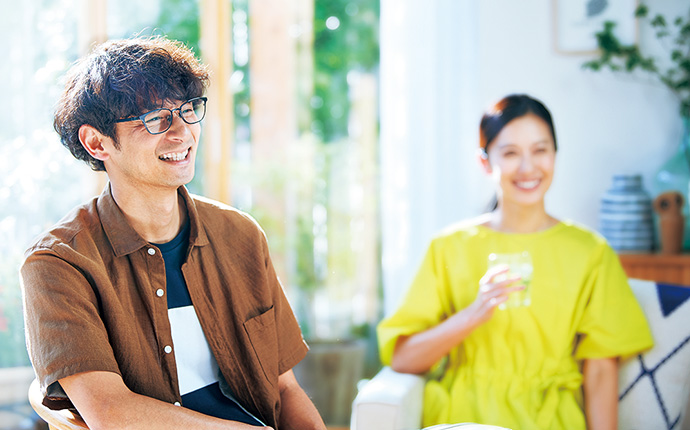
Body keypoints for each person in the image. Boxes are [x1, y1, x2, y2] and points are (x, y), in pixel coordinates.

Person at [21, 36, 326, 430]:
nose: (182, 133)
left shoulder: (240, 235)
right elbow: (111, 414)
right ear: (97, 142)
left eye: (188, 110)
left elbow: (285, 391)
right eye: (155, 119)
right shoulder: (58, 263)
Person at [377, 94, 654, 430]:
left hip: (552, 420)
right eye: (510, 153)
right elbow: (403, 358)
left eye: (540, 150)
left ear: (555, 155)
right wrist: (473, 314)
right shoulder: (448, 247)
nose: (528, 167)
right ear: (484, 162)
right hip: (465, 417)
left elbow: (600, 371)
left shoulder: (590, 251)